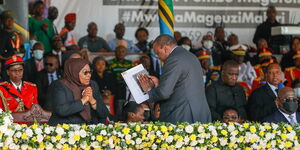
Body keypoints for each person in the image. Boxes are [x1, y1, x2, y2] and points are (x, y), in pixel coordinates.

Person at [138, 34, 211, 124]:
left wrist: (148, 91)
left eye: (158, 53)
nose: (158, 57)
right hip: (199, 112)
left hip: (182, 115)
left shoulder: (173, 59)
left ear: (165, 48)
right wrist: (159, 83)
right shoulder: (189, 55)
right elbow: (183, 84)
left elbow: (164, 93)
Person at [47, 58, 109, 125]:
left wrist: (92, 101)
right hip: (65, 127)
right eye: (85, 72)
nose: (89, 75)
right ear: (74, 71)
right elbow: (61, 110)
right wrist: (83, 100)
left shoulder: (92, 84)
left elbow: (104, 113)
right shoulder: (60, 85)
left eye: (90, 71)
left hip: (90, 127)